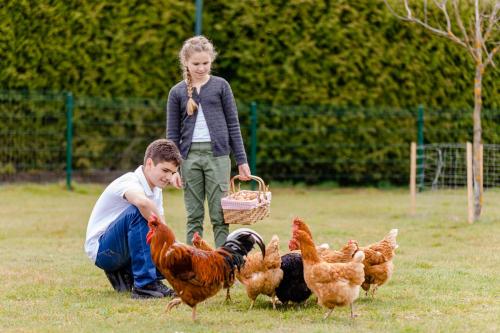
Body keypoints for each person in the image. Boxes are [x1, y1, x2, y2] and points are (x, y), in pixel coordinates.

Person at [166, 35, 251, 248]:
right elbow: (172, 134)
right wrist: (173, 168)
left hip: (218, 157)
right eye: (196, 64)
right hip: (188, 158)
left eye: (206, 63)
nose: (201, 68)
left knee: (220, 215)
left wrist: (241, 160)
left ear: (211, 61)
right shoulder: (176, 92)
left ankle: (224, 265)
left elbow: (233, 125)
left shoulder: (221, 86)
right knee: (194, 215)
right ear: (185, 62)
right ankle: (193, 266)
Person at [84, 139, 182, 299]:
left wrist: (178, 250)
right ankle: (144, 287)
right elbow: (142, 204)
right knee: (140, 211)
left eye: (172, 172)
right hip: (104, 251)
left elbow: (162, 226)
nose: (169, 177)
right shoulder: (130, 181)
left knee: (170, 254)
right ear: (149, 163)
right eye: (165, 170)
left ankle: (126, 275)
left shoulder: (156, 189)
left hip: (124, 250)